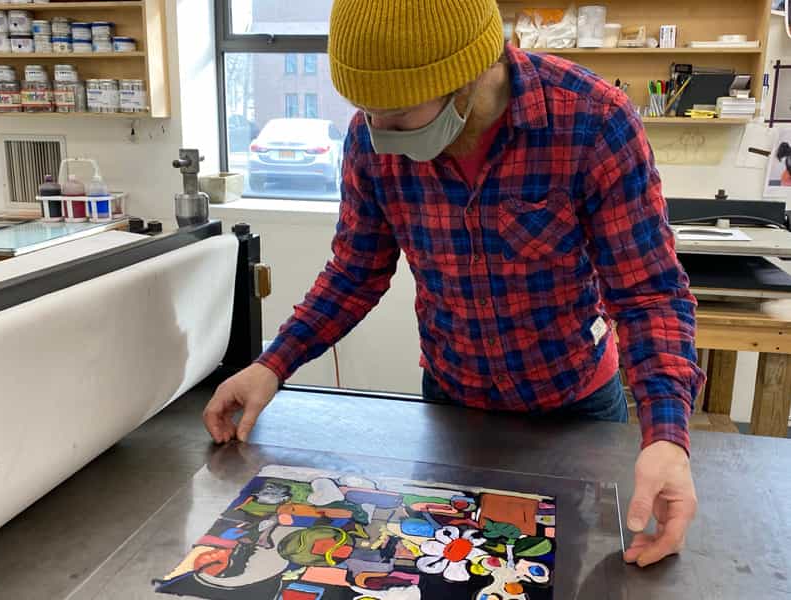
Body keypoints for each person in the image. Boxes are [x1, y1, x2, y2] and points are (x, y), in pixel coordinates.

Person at [204, 0, 705, 569]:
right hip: (451, 407)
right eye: (369, 113)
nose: (380, 134)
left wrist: (665, 436)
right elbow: (355, 271)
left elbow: (648, 294)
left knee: (560, 577)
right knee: (448, 570)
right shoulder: (372, 140)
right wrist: (271, 365)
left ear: (468, 76)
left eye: (398, 116)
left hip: (575, 410)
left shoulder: (591, 121)